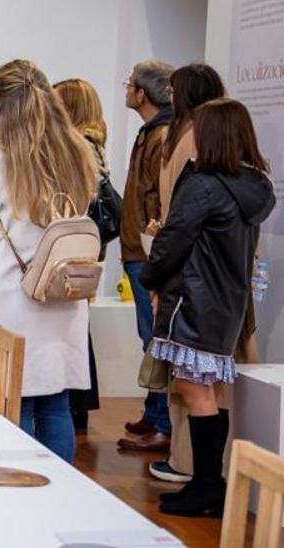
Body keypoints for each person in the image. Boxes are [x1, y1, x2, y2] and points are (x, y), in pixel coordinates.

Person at [143, 98, 274, 516]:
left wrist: (150, 276)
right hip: (227, 302)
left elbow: (174, 237)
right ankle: (209, 483)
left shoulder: (203, 185)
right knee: (209, 391)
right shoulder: (256, 186)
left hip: (193, 299)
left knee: (194, 389)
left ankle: (206, 486)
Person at [0, 59, 97, 463]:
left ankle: (18, 489)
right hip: (63, 291)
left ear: (2, 103)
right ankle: (61, 491)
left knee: (14, 400)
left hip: (14, 294)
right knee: (55, 402)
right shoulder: (77, 151)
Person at [150, 64, 230, 485]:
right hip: (210, 278)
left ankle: (191, 468)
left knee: (190, 380)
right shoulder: (203, 140)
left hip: (189, 275)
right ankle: (199, 472)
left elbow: (180, 219)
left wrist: (156, 272)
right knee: (201, 381)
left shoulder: (187, 140)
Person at [117, 59, 175, 452]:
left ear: (143, 92)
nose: (126, 87)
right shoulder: (150, 132)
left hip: (147, 251)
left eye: (130, 83)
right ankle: (154, 412)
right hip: (137, 248)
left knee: (156, 338)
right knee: (148, 336)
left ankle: (164, 424)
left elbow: (160, 196)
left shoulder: (162, 136)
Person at [51, 78, 110, 433]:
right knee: (75, 321)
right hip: (84, 242)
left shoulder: (79, 146)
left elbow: (76, 195)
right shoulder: (95, 143)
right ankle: (78, 404)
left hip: (73, 242)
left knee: (72, 323)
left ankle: (75, 403)